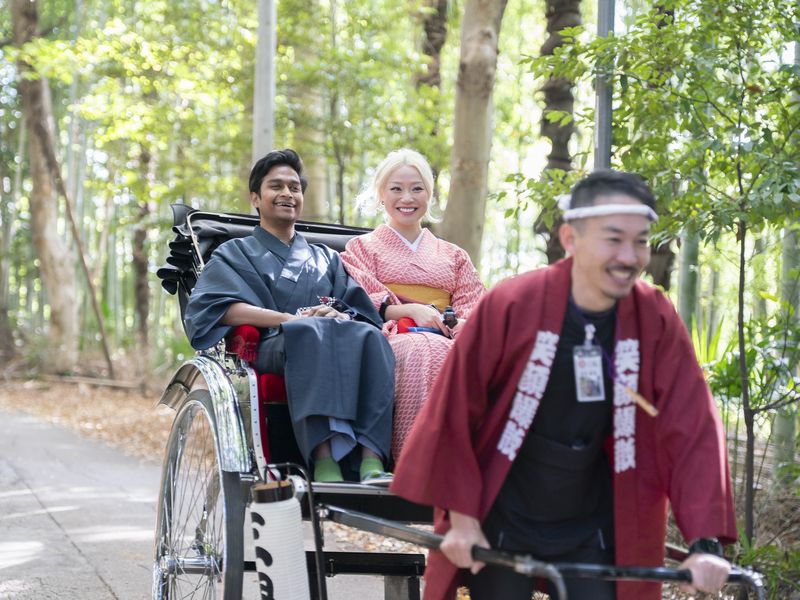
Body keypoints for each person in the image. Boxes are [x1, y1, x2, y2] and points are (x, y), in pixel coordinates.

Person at [391, 170, 737, 600]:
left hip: (596, 516)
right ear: (571, 239)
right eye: (613, 239)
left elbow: (692, 425)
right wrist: (462, 518)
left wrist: (705, 542)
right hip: (504, 510)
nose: (630, 256)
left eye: (642, 240)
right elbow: (455, 411)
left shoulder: (654, 317)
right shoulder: (514, 303)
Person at [184, 149, 395, 484]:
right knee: (309, 334)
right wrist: (288, 320)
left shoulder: (326, 258)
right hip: (272, 346)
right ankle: (323, 460)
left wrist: (336, 311)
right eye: (276, 186)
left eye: (294, 188)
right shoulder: (233, 253)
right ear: (255, 197)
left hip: (326, 337)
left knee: (372, 337)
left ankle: (372, 459)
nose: (287, 194)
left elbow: (358, 310)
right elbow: (219, 308)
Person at [341, 149, 484, 460]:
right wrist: (407, 310)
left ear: (429, 195)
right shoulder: (361, 248)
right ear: (381, 194)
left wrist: (458, 323)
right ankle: (415, 461)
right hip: (392, 335)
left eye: (417, 188)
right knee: (423, 350)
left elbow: (473, 304)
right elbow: (360, 301)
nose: (407, 197)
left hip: (448, 335)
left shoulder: (454, 255)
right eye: (396, 188)